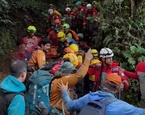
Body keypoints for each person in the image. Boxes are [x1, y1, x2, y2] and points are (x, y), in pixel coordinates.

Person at [58, 73, 145, 115]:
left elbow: (70, 106)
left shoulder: (90, 97)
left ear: (103, 83)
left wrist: (64, 92)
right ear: (118, 89)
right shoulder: (121, 106)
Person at [50, 49, 93, 115]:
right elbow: (80, 75)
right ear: (66, 73)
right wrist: (87, 59)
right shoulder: (63, 80)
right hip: (56, 111)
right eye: (72, 72)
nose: (73, 74)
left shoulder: (57, 79)